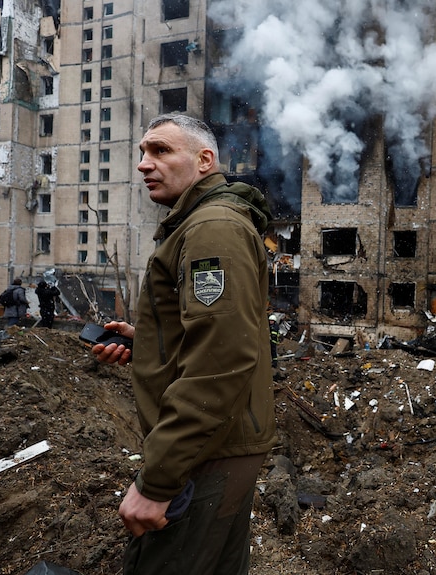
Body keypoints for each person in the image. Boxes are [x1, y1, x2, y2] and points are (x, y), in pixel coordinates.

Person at [90, 114, 277, 575]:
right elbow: (215, 334)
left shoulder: (212, 228)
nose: (143, 164)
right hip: (221, 443)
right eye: (142, 153)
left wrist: (158, 481)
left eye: (160, 150)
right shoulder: (200, 223)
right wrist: (149, 343)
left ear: (204, 160)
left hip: (206, 453)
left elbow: (223, 358)